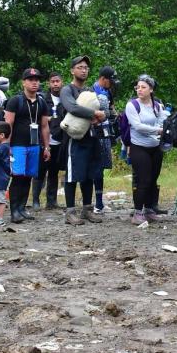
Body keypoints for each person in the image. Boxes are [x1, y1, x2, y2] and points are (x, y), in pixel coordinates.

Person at [60, 55, 107, 226]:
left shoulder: (89, 91)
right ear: (72, 70)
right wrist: (94, 114)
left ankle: (87, 209)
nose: (83, 70)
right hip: (74, 138)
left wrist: (102, 116)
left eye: (86, 67)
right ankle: (70, 212)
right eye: (80, 67)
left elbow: (104, 110)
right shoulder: (67, 90)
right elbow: (71, 107)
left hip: (92, 137)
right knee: (73, 175)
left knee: (90, 174)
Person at [4, 69, 52, 224]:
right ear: (24, 82)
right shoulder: (15, 101)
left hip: (34, 145)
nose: (34, 82)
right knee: (17, 176)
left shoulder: (42, 102)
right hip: (17, 145)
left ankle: (22, 208)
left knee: (28, 177)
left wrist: (46, 147)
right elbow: (8, 124)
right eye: (30, 79)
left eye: (37, 79)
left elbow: (44, 126)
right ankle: (14, 211)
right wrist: (7, 146)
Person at [126, 75, 168, 224]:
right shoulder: (132, 105)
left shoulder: (157, 105)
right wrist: (157, 131)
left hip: (155, 147)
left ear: (151, 89)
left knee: (153, 179)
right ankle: (137, 212)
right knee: (143, 179)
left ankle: (149, 209)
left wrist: (162, 129)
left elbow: (163, 121)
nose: (139, 90)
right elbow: (137, 126)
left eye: (143, 87)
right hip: (139, 146)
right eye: (138, 87)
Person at [33, 72, 64, 209]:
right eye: (53, 81)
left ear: (62, 82)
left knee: (54, 171)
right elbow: (38, 118)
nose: (55, 84)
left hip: (59, 139)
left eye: (58, 81)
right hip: (44, 140)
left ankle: (51, 201)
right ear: (49, 84)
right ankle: (35, 200)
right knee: (40, 171)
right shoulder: (42, 99)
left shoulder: (66, 98)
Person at [91, 66, 119, 213]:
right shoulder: (91, 91)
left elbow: (111, 109)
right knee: (95, 168)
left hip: (106, 131)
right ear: (103, 78)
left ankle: (99, 202)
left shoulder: (108, 91)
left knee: (102, 168)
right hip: (95, 132)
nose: (112, 84)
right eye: (111, 81)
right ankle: (94, 203)